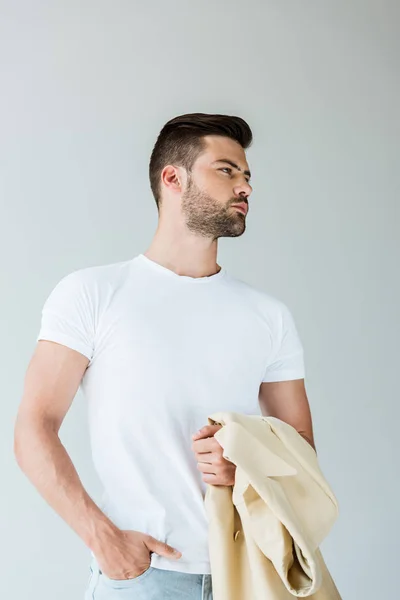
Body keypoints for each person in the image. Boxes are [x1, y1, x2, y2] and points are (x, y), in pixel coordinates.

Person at [14, 113, 315, 599]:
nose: (245, 187)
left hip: (252, 574)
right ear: (172, 178)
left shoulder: (268, 315)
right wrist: (102, 538)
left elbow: (300, 444)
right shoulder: (94, 293)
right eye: (226, 170)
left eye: (247, 175)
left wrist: (251, 465)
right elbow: (34, 426)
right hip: (143, 580)